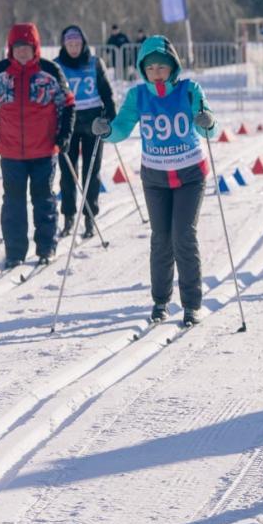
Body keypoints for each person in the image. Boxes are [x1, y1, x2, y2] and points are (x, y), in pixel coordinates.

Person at [91, 36, 218, 327]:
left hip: (190, 174)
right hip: (156, 177)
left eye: (162, 66)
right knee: (161, 239)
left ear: (173, 67)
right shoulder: (138, 96)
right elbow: (121, 128)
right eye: (151, 68)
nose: (157, 72)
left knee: (183, 236)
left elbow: (210, 130)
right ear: (143, 70)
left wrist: (208, 121)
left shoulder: (189, 90)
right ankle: (160, 301)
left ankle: (191, 304)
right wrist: (106, 131)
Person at [0, 23, 75, 268]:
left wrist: (64, 135)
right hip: (10, 150)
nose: (23, 52)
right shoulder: (0, 72)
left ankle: (46, 247)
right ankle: (15, 251)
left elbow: (68, 104)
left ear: (36, 48)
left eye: (27, 48)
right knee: (13, 202)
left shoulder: (50, 71)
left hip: (44, 148)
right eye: (18, 48)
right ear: (11, 49)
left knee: (43, 199)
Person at [54, 25, 117, 239]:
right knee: (68, 174)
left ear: (83, 44)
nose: (73, 48)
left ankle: (90, 217)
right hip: (68, 125)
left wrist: (111, 117)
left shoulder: (94, 63)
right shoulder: (57, 65)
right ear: (64, 44)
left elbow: (107, 92)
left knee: (91, 172)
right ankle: (69, 216)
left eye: (77, 44)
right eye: (70, 44)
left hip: (93, 124)